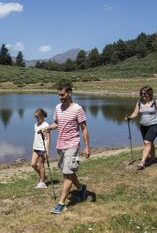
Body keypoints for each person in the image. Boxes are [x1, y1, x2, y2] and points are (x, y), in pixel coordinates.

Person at [41, 81, 90, 214]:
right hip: (60, 144)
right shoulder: (58, 108)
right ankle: (81, 189)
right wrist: (47, 128)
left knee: (67, 175)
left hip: (72, 144)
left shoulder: (78, 109)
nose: (60, 97)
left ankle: (61, 203)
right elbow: (57, 123)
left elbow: (84, 128)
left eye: (62, 95)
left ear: (69, 93)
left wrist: (87, 147)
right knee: (67, 171)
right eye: (59, 95)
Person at [125, 86, 157, 170]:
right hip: (143, 126)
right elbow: (135, 113)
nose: (142, 95)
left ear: (149, 93)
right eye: (141, 93)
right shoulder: (139, 102)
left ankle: (142, 162)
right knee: (149, 142)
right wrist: (130, 117)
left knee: (147, 142)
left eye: (144, 93)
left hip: (154, 125)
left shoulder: (155, 102)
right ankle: (152, 158)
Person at [31, 108, 50, 188]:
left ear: (42, 116)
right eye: (35, 117)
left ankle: (42, 182)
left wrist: (47, 150)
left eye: (38, 117)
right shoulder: (36, 125)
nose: (36, 119)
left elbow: (48, 138)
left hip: (42, 148)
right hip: (36, 147)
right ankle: (43, 177)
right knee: (33, 164)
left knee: (41, 165)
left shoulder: (46, 125)